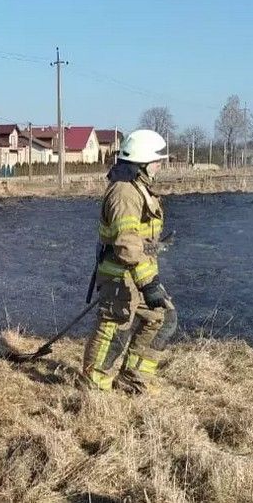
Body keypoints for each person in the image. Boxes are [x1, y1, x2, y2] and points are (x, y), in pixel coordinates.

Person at [82, 129, 175, 394]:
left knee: (163, 318)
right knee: (114, 327)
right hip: (121, 275)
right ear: (143, 162)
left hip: (136, 273)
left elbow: (136, 238)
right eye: (157, 160)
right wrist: (149, 283)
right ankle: (94, 387)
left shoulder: (137, 188)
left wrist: (155, 245)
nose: (160, 166)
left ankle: (133, 379)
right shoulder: (125, 193)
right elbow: (126, 242)